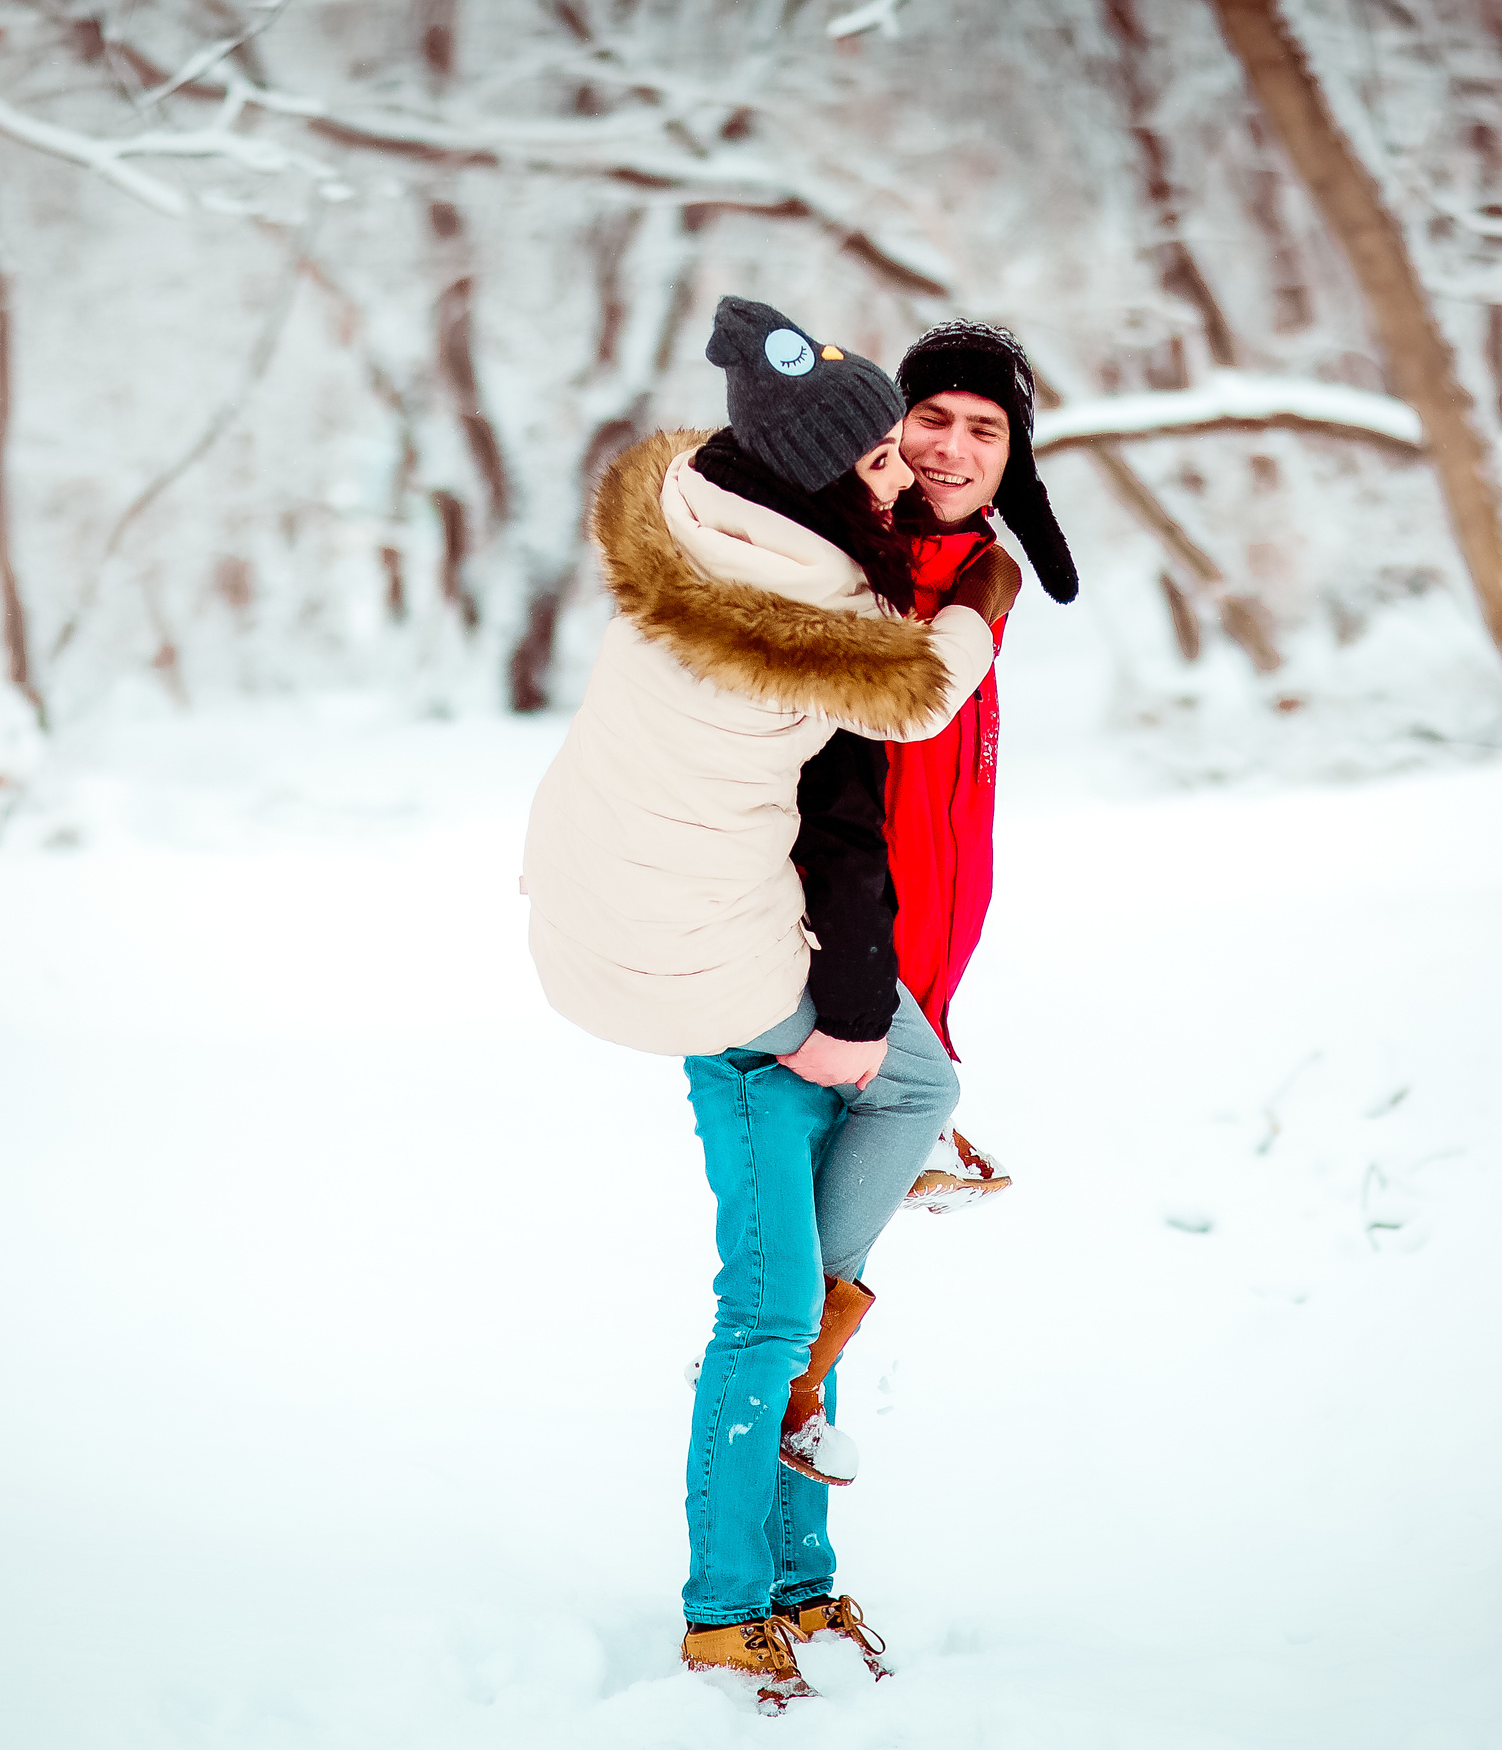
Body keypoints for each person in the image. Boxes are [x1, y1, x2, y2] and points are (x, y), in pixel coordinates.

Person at [521, 296, 1017, 1713]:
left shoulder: (697, 517)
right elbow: (902, 723)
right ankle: (728, 1609)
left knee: (878, 1162)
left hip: (671, 920)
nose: (901, 475)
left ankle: (801, 1569)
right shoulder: (813, 614)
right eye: (877, 457)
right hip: (723, 967)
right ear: (816, 477)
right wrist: (979, 597)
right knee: (769, 1309)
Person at [792, 319, 1080, 1221]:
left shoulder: (977, 569)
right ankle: (769, 1364)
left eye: (985, 429)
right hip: (825, 973)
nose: (951, 448)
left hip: (909, 982)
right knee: (785, 1271)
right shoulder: (844, 552)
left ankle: (784, 1359)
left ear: (1012, 460)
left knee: (813, 1261)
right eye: (931, 417)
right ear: (891, 423)